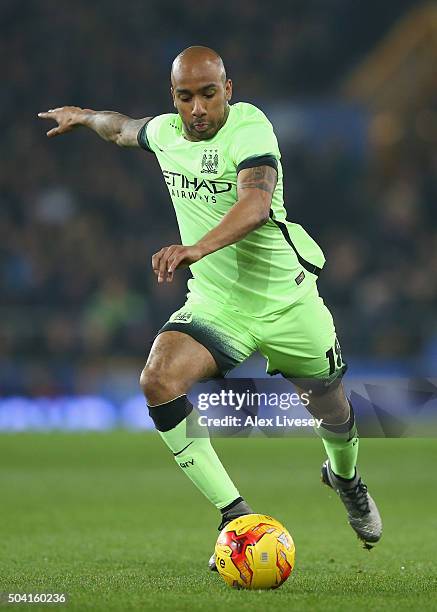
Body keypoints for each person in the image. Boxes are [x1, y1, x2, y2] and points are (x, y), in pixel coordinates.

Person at [38, 45, 382, 567]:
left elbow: (256, 202)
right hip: (218, 304)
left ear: (228, 90)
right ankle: (236, 517)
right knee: (158, 379)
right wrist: (85, 117)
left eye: (207, 94)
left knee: (332, 410)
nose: (197, 108)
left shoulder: (249, 128)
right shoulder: (168, 134)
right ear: (173, 98)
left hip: (287, 301)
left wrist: (197, 247)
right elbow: (120, 128)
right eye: (185, 97)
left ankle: (346, 480)